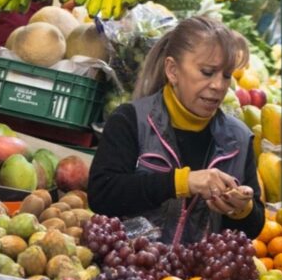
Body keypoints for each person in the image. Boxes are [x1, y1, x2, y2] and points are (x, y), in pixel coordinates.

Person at [87, 16, 265, 245]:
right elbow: (102, 194)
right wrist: (182, 182)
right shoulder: (131, 121)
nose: (219, 85)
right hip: (132, 274)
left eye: (226, 75)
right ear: (172, 70)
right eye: (208, 72)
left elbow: (253, 227)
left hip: (203, 278)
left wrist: (242, 209)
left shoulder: (238, 138)